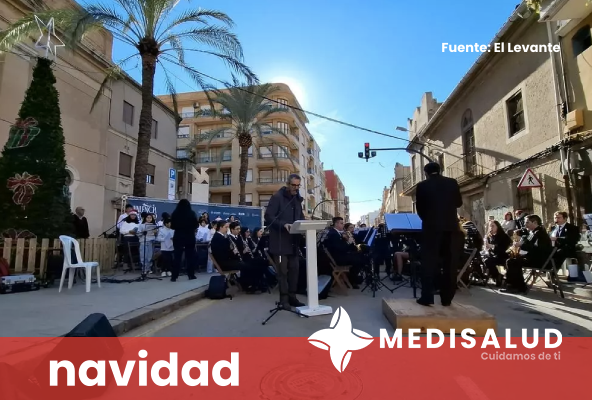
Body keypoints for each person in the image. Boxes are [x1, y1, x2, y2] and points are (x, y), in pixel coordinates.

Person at [415, 162, 464, 306]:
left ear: (426, 173)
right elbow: (459, 203)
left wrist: (428, 220)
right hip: (451, 228)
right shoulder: (452, 182)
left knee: (429, 263)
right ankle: (447, 299)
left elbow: (420, 209)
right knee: (450, 263)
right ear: (440, 170)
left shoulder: (422, 186)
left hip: (431, 229)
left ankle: (427, 297)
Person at [264, 173, 306, 309]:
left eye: (298, 185)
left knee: (295, 270)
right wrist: (283, 225)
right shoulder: (277, 197)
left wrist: (305, 225)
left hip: (294, 243)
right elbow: (269, 217)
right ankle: (284, 300)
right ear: (287, 184)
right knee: (283, 272)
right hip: (280, 243)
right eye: (293, 185)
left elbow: (300, 217)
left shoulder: (297, 200)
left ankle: (292, 297)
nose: (296, 188)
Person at [504, 214, 552, 293]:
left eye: (527, 222)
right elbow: (530, 245)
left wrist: (521, 245)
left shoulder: (540, 233)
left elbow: (539, 249)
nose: (525, 224)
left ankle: (518, 286)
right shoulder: (534, 232)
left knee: (513, 262)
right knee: (511, 261)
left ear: (535, 222)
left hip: (539, 260)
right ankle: (514, 285)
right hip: (534, 258)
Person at [170, 199, 198, 282]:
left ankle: (174, 276)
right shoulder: (192, 213)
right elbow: (196, 225)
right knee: (190, 256)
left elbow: (172, 226)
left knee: (177, 256)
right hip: (189, 236)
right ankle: (191, 275)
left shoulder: (175, 213)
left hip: (178, 236)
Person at [483, 220, 512, 286]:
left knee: (488, 261)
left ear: (498, 227)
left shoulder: (504, 236)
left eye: (493, 226)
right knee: (481, 259)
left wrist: (492, 246)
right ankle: (494, 276)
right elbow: (489, 248)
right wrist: (487, 248)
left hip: (503, 256)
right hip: (493, 255)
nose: (491, 228)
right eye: (490, 226)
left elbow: (503, 249)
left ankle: (498, 276)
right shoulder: (490, 236)